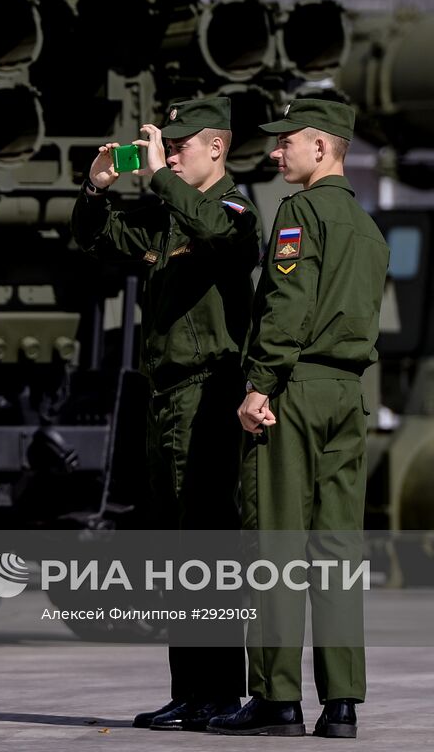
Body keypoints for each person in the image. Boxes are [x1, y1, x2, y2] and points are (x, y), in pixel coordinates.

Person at [70, 96, 258, 733]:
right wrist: (97, 190)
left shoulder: (234, 210)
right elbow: (96, 239)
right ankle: (191, 690)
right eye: (165, 144)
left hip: (210, 392)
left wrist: (160, 179)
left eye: (181, 145)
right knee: (177, 549)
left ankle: (221, 691)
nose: (169, 153)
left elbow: (215, 232)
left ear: (218, 149)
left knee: (207, 545)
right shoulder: (171, 220)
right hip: (167, 396)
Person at [208, 98, 388, 739]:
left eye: (288, 142)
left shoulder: (300, 213)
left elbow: (287, 306)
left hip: (296, 391)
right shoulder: (368, 229)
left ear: (323, 148)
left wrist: (259, 386)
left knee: (277, 547)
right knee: (338, 553)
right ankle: (342, 707)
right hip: (348, 395)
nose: (276, 152)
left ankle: (277, 701)